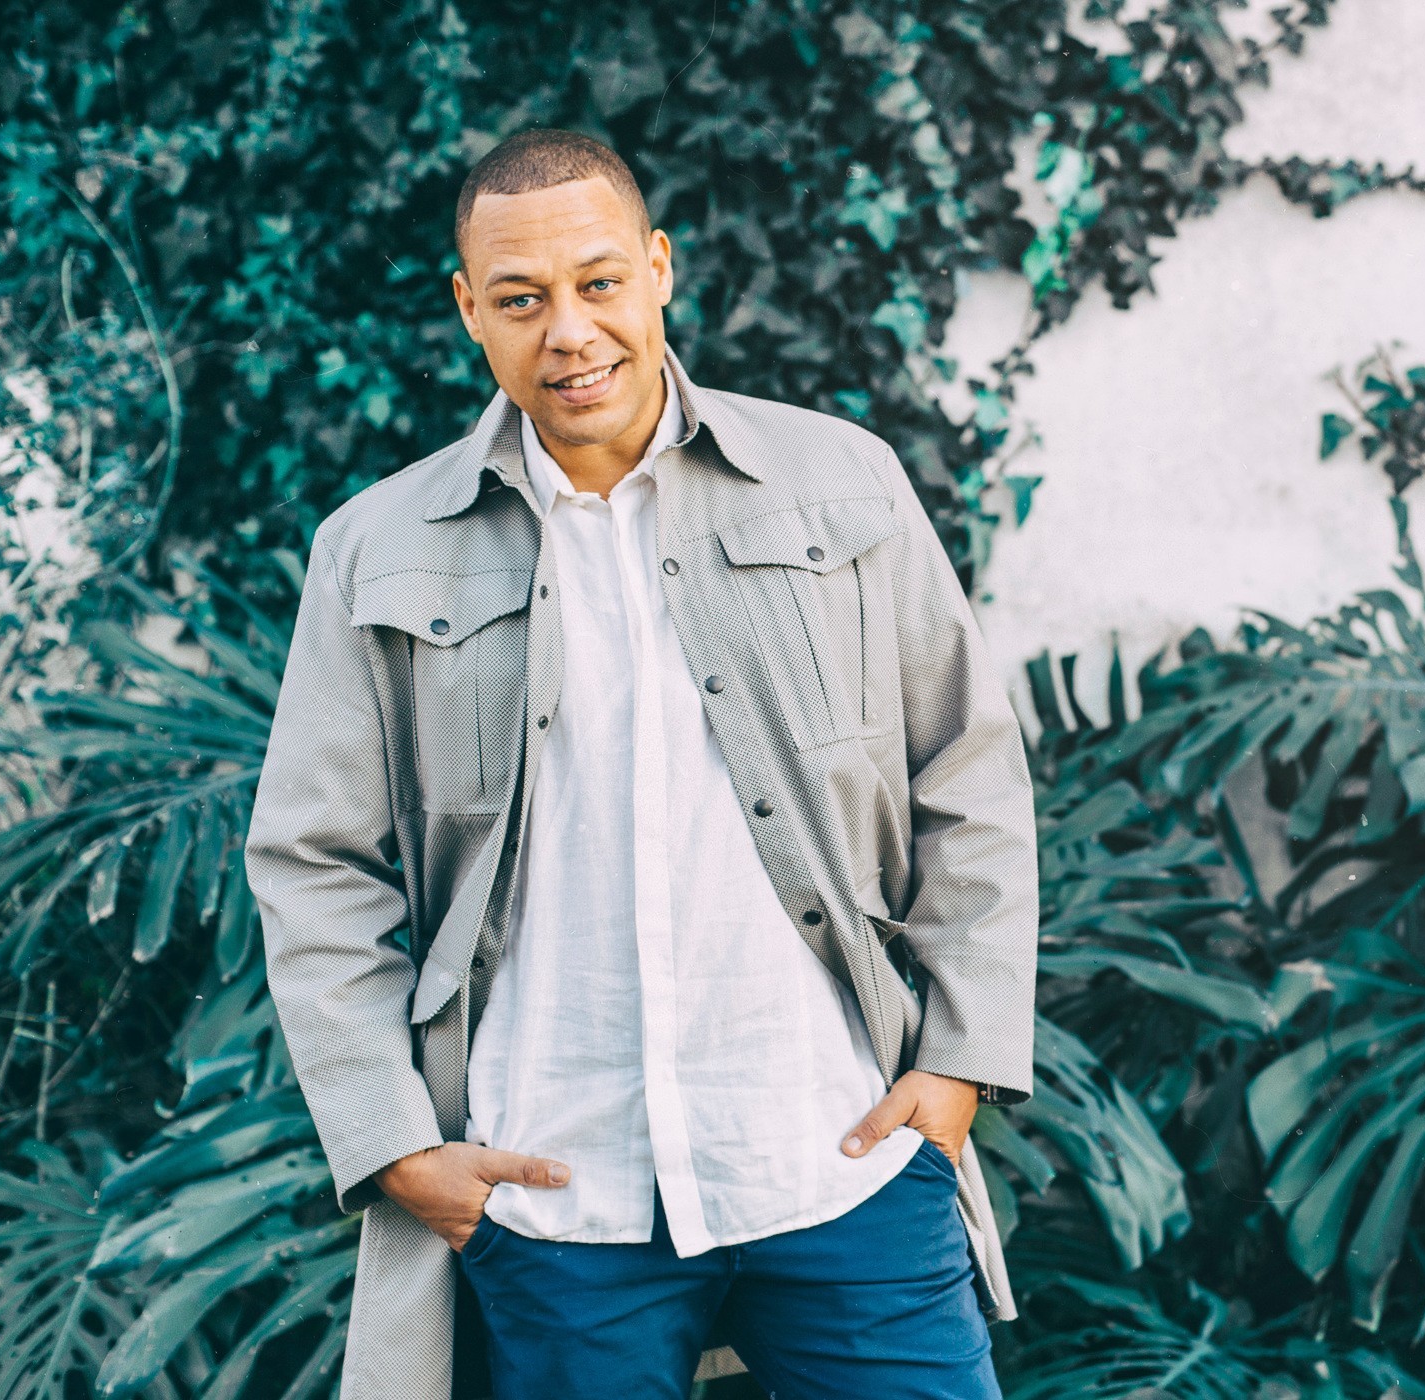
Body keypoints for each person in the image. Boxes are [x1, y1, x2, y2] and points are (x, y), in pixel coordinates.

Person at [243, 126, 1039, 1400]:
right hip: (555, 1192)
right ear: (469, 310)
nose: (570, 331)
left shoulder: (840, 482)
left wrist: (957, 1063)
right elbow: (312, 861)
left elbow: (968, 768)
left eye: (600, 281)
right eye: (521, 298)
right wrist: (395, 1144)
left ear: (659, 268)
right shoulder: (378, 548)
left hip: (837, 1154)